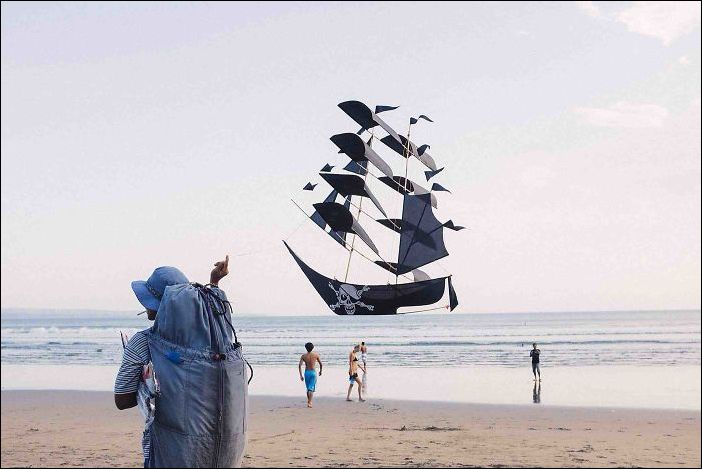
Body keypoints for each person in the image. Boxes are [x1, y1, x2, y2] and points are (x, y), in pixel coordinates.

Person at [114, 257, 230, 467]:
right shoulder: (215, 341)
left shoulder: (144, 342)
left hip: (167, 451)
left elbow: (122, 400)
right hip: (213, 450)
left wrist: (147, 385)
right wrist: (214, 282)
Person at [298, 342, 323, 408]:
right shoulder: (316, 355)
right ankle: (310, 402)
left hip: (307, 373)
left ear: (306, 348)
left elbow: (300, 365)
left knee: (308, 388)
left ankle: (309, 401)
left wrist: (301, 375)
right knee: (311, 389)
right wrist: (320, 371)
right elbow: (321, 364)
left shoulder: (303, 356)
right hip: (313, 373)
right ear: (312, 348)